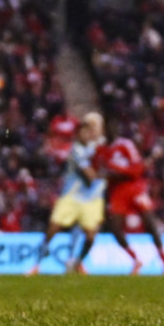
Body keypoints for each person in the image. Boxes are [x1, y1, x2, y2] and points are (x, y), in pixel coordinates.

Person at [29, 109, 108, 275]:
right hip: (71, 195)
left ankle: (78, 263)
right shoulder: (76, 150)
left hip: (92, 198)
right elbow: (90, 175)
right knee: (53, 228)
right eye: (87, 129)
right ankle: (36, 264)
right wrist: (109, 173)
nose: (90, 132)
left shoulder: (103, 147)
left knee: (91, 236)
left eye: (94, 128)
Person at [99, 125, 164, 274]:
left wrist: (117, 171)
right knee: (114, 227)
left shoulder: (125, 144)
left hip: (134, 188)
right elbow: (102, 171)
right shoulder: (101, 149)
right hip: (117, 191)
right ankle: (136, 259)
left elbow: (136, 170)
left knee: (150, 223)